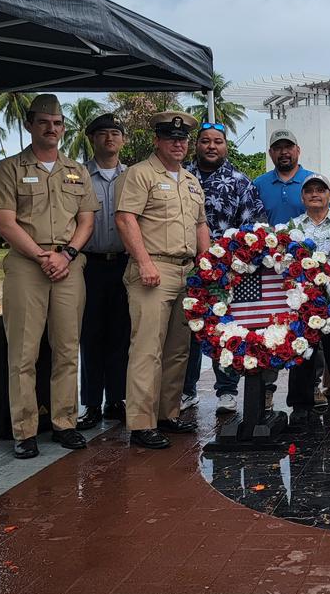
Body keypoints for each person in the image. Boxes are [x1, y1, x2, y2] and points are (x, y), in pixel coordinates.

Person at [0, 93, 98, 459]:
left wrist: (66, 254)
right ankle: (24, 429)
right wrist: (40, 255)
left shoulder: (77, 170)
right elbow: (5, 222)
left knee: (67, 347)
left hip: (68, 263)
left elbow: (87, 220)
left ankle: (65, 422)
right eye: (44, 122)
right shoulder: (9, 168)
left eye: (58, 123)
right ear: (30, 125)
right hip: (26, 263)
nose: (52, 129)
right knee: (24, 351)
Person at [115, 111, 210, 449]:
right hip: (153, 269)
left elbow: (200, 225)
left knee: (177, 351)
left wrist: (208, 263)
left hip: (186, 271)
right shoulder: (140, 174)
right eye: (171, 138)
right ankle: (141, 423)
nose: (178, 143)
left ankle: (167, 414)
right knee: (147, 349)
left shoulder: (190, 180)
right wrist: (143, 262)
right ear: (157, 140)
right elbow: (126, 219)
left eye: (183, 138)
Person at [182, 121, 267, 414]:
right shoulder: (182, 176)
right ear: (197, 145)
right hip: (185, 265)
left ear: (225, 146)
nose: (211, 146)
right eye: (205, 141)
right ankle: (185, 390)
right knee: (188, 329)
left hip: (224, 271)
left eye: (217, 141)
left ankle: (227, 391)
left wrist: (231, 262)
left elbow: (253, 228)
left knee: (222, 327)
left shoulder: (239, 181)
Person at [76, 112, 130, 431]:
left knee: (121, 334)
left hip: (124, 262)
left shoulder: (133, 176)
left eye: (115, 133)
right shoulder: (78, 176)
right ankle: (92, 403)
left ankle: (117, 400)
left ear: (122, 139)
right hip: (90, 263)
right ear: (92, 139)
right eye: (102, 133)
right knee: (91, 333)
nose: (109, 138)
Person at [288, 175, 330, 421]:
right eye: (309, 191)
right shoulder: (293, 227)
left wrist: (327, 279)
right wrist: (308, 284)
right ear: (302, 197)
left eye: (320, 190)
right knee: (302, 349)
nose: (315, 194)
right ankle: (300, 404)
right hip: (302, 296)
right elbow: (286, 261)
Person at [255, 129, 313, 225]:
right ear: (270, 153)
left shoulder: (315, 181)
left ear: (298, 150)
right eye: (277, 148)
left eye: (288, 147)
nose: (284, 152)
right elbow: (254, 223)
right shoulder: (258, 185)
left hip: (309, 240)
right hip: (270, 240)